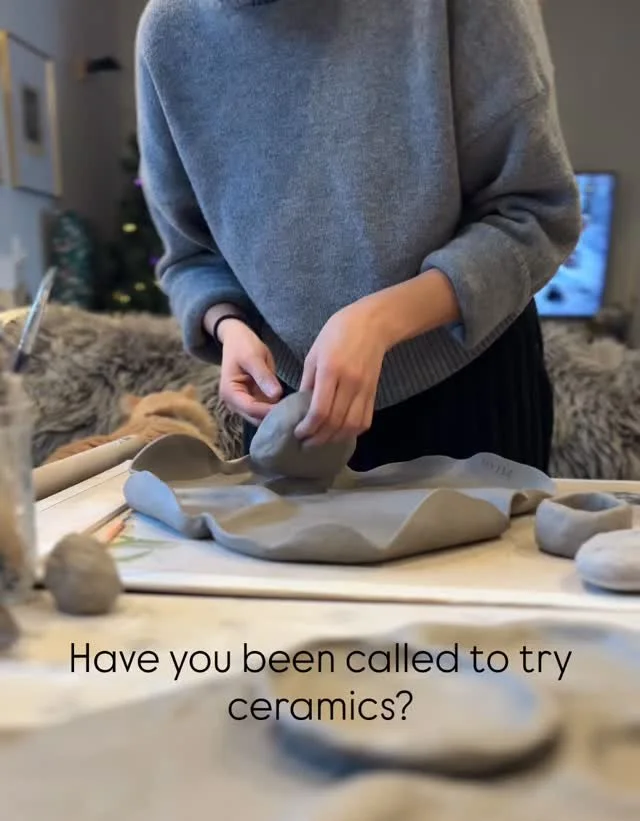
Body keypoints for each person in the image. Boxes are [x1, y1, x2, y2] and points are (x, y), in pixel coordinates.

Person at [136, 0, 581, 474]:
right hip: (288, 413)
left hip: (471, 390)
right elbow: (188, 257)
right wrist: (228, 326)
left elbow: (537, 215)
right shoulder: (169, 31)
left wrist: (381, 321)